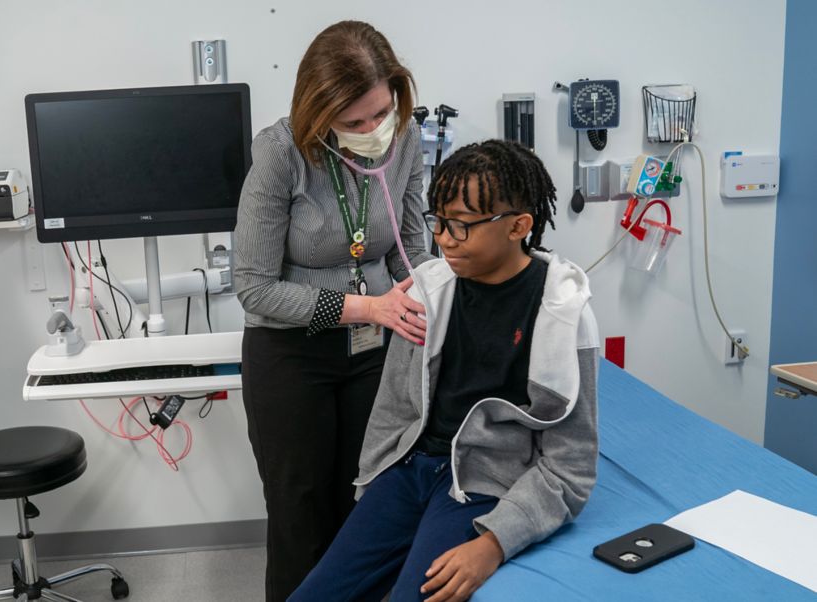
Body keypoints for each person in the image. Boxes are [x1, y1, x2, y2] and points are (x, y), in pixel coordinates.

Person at [290, 140, 600, 602]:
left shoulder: (563, 316)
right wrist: (377, 484)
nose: (445, 238)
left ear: (519, 225)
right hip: (409, 469)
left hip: (482, 482)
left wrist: (492, 543)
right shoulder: (426, 293)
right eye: (439, 221)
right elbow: (394, 409)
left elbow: (570, 467)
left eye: (462, 225)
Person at [233, 20, 434, 601]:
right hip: (291, 357)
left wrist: (433, 291)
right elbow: (254, 288)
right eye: (353, 123)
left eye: (381, 114)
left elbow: (408, 245)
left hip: (375, 353)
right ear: (318, 114)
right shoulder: (279, 155)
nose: (373, 131)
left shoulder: (405, 140)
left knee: (368, 510)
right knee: (301, 518)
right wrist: (368, 306)